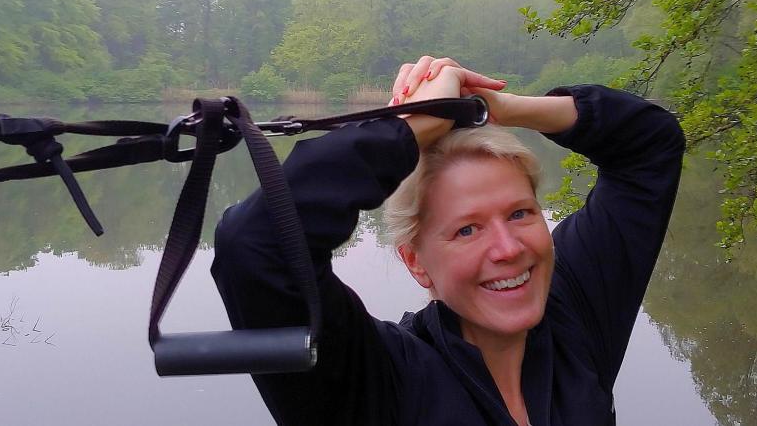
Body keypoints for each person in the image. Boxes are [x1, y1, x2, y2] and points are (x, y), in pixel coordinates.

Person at [212, 56, 685, 425]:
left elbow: (650, 143)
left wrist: (503, 108)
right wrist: (410, 127)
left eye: (520, 213)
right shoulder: (377, 382)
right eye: (467, 229)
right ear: (416, 262)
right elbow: (255, 245)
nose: (508, 249)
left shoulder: (575, 320)